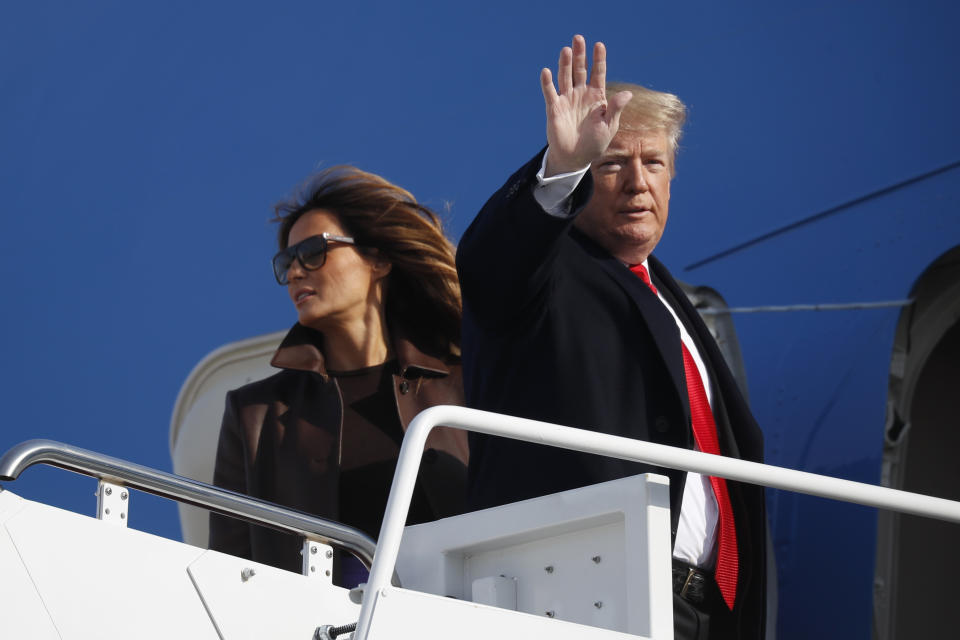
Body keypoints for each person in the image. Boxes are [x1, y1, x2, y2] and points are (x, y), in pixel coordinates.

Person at [457, 36, 766, 639]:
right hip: (590, 592)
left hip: (711, 609)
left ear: (671, 178)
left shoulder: (668, 297)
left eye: (652, 163)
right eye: (612, 164)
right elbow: (492, 266)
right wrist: (563, 166)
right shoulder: (548, 270)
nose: (636, 183)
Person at [209, 166, 469, 587]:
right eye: (286, 262)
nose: (295, 272)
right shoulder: (255, 416)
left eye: (313, 251)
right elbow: (227, 570)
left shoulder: (463, 385)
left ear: (378, 259)